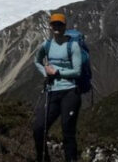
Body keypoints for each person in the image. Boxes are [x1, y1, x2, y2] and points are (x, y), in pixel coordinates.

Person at [33, 12, 83, 162]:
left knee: (67, 131)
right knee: (39, 128)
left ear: (64, 26)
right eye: (54, 24)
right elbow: (36, 61)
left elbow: (78, 71)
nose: (57, 27)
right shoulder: (46, 45)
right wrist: (45, 73)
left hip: (70, 91)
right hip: (52, 91)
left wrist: (57, 72)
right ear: (50, 26)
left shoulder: (73, 45)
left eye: (60, 24)